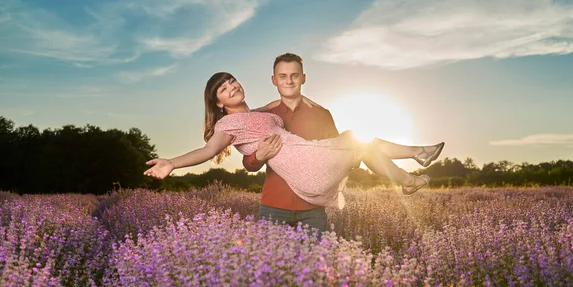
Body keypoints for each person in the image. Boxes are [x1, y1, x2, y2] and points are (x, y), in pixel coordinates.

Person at [145, 72, 445, 214]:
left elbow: (285, 100)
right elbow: (208, 150)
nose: (231, 87)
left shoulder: (262, 113)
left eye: (232, 81)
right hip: (307, 169)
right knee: (357, 141)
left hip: (312, 158)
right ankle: (418, 155)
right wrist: (172, 162)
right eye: (223, 89)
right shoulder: (227, 124)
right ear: (219, 102)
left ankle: (409, 178)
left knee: (363, 147)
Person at [242, 53, 339, 236]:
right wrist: (259, 156)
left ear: (303, 78)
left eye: (294, 75)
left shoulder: (323, 115)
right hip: (274, 207)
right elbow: (248, 164)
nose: (289, 81)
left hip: (313, 210)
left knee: (311, 263)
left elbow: (336, 155)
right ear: (274, 80)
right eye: (282, 76)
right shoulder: (262, 117)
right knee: (270, 264)